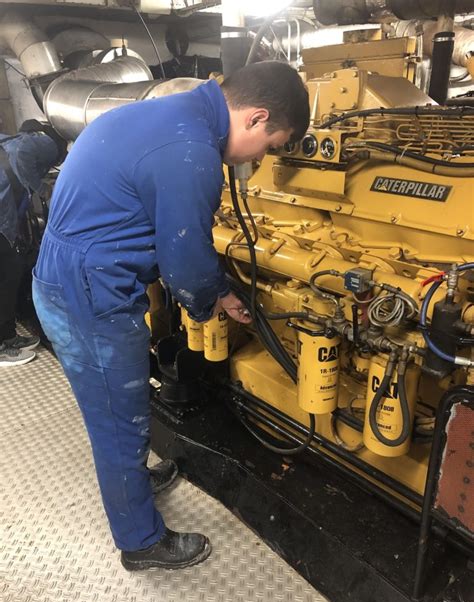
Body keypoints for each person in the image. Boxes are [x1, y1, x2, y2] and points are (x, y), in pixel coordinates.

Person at [33, 61, 310, 570]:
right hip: (87, 292)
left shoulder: (171, 115)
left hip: (72, 274)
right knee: (120, 417)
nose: (261, 159)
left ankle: (133, 481)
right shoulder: (191, 151)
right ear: (255, 117)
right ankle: (140, 542)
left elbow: (172, 237)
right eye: (271, 145)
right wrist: (211, 301)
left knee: (123, 406)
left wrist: (218, 290)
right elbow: (184, 261)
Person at [0, 120, 66, 366]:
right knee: (6, 274)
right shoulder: (45, 142)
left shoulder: (13, 139)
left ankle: (8, 336)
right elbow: (22, 158)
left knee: (10, 271)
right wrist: (41, 189)